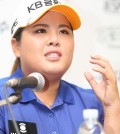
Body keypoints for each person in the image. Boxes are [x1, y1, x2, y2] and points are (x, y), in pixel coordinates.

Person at [0, 0, 120, 133]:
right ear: (16, 46)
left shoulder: (93, 102)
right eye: (41, 30)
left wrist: (111, 108)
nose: (55, 40)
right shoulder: (2, 98)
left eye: (63, 31)